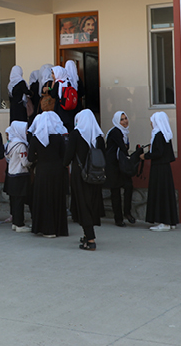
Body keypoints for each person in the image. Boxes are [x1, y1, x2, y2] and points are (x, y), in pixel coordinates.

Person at [27, 106, 69, 238]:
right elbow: (64, 156)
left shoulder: (36, 138)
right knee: (56, 198)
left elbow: (30, 158)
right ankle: (58, 228)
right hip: (57, 171)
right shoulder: (58, 138)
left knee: (44, 199)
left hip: (43, 171)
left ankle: (46, 228)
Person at [66, 109, 104, 251]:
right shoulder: (99, 136)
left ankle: (91, 239)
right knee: (91, 204)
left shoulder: (76, 134)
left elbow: (68, 156)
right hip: (96, 175)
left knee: (83, 205)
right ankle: (87, 234)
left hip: (80, 175)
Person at [144, 112, 179, 231]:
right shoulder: (165, 135)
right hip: (165, 169)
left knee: (161, 194)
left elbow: (158, 153)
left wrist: (146, 156)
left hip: (159, 169)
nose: (150, 123)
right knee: (166, 194)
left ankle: (164, 222)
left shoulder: (159, 135)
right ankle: (170, 220)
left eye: (152, 121)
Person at [104, 111, 136, 226]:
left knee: (128, 186)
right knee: (115, 192)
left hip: (120, 165)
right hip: (113, 166)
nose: (125, 121)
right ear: (117, 121)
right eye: (121, 119)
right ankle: (119, 218)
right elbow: (123, 147)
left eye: (125, 118)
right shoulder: (116, 132)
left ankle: (127, 212)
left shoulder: (124, 133)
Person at [4, 121, 31, 232]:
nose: (26, 132)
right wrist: (32, 161)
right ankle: (20, 224)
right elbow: (25, 163)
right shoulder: (21, 145)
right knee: (20, 200)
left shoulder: (10, 143)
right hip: (20, 175)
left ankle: (15, 222)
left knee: (14, 200)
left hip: (11, 174)